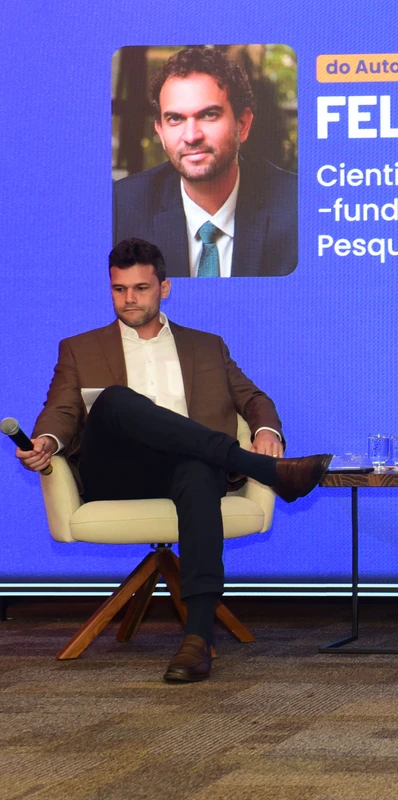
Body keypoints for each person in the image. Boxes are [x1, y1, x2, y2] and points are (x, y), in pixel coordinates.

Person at [15, 238, 331, 682]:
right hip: (117, 473)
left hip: (186, 469)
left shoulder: (206, 347)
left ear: (164, 288)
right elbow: (62, 411)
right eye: (119, 289)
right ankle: (265, 471)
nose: (129, 299)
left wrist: (265, 430)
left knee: (198, 469)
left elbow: (254, 399)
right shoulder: (80, 348)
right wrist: (47, 440)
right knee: (115, 401)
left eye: (140, 288)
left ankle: (197, 638)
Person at [113, 46, 298, 277]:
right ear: (160, 132)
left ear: (242, 124)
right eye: (175, 119)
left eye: (209, 115)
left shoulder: (297, 207)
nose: (191, 136)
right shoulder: (120, 209)